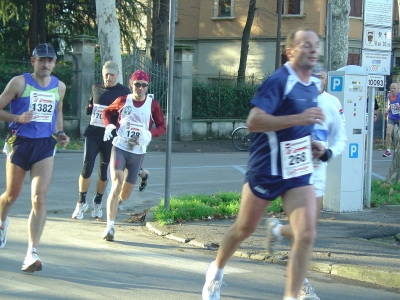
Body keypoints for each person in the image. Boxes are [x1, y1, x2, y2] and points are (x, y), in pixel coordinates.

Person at [201, 27, 326, 300]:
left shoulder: (314, 83)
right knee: (244, 229)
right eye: (305, 44)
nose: (312, 49)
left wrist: (311, 143)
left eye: (315, 45)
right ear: (290, 51)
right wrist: (300, 119)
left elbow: (302, 124)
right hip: (267, 166)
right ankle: (216, 272)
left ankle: (291, 296)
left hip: (297, 167)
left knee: (306, 234)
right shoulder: (280, 80)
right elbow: (254, 122)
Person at [264, 63, 347, 300]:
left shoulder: (333, 103)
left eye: (320, 77)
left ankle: (277, 229)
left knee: (308, 231)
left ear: (326, 79)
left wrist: (329, 152)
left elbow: (341, 136)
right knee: (303, 233)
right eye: (312, 76)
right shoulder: (294, 97)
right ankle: (302, 287)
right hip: (295, 170)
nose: (316, 81)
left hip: (318, 171)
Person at [0, 43, 70, 272]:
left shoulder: (59, 86)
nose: (46, 64)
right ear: (33, 61)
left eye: (50, 60)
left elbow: (58, 113)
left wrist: (60, 133)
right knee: (12, 195)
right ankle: (1, 222)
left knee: (39, 198)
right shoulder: (19, 82)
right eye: (42, 60)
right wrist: (16, 117)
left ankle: (31, 253)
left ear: (55, 63)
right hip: (19, 143)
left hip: (44, 146)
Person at [71, 61, 150, 219]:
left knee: (103, 171)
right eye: (106, 74)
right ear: (103, 74)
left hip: (112, 137)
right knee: (86, 167)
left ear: (117, 75)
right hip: (93, 133)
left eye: (112, 75)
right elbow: (92, 103)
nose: (109, 78)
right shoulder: (96, 87)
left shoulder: (123, 92)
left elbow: (130, 110)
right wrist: (89, 107)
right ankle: (81, 202)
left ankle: (98, 202)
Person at [101, 70, 166, 241]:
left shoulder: (153, 105)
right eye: (137, 84)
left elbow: (162, 126)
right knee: (116, 184)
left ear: (148, 87)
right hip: (120, 147)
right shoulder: (123, 100)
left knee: (125, 194)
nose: (141, 88)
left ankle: (118, 204)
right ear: (131, 84)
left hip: (137, 152)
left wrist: (150, 134)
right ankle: (110, 227)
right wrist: (108, 126)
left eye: (144, 85)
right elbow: (107, 112)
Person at [383, 82, 400, 157]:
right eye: (391, 88)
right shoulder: (389, 96)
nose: (392, 90)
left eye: (394, 88)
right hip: (392, 117)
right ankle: (388, 151)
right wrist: (387, 111)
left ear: (398, 89)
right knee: (388, 133)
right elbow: (391, 105)